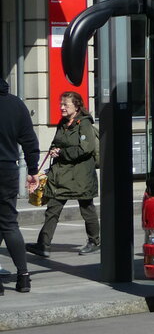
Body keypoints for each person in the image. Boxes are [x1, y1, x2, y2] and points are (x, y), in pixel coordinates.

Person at [27, 91, 99, 258]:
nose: (62, 107)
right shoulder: (63, 123)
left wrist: (62, 152)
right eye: (61, 104)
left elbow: (86, 148)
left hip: (81, 176)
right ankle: (43, 244)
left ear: (77, 106)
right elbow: (56, 142)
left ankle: (94, 241)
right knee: (52, 209)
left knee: (87, 209)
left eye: (66, 104)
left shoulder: (84, 123)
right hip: (61, 175)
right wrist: (54, 150)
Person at [0, 77, 36, 293]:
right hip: (8, 170)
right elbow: (29, 140)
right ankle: (23, 277)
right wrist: (33, 170)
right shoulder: (16, 105)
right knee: (8, 223)